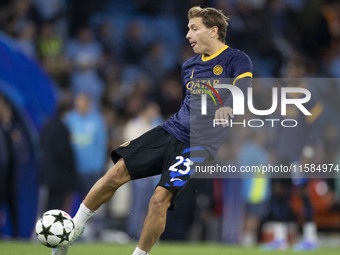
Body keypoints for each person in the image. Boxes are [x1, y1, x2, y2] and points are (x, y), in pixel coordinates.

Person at [52, 6, 252, 255]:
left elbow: (243, 87)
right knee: (116, 173)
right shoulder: (188, 66)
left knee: (159, 199)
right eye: (187, 29)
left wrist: (229, 106)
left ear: (213, 31)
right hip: (170, 130)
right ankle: (71, 233)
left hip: (199, 146)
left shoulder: (236, 59)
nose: (188, 35)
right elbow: (188, 105)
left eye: (194, 28)